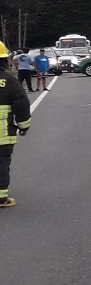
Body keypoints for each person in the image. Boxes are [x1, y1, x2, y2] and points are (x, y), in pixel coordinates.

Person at [0, 41, 32, 208]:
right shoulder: (9, 81)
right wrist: (24, 126)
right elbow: (21, 105)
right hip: (2, 136)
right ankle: (1, 198)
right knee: (1, 163)